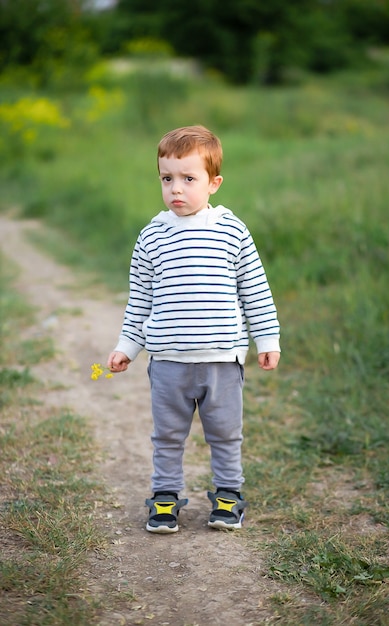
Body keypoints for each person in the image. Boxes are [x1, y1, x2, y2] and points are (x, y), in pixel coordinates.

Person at [107, 125, 280, 534]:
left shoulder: (231, 232)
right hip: (168, 362)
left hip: (222, 360)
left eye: (189, 178)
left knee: (225, 435)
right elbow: (140, 301)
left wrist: (267, 339)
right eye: (167, 179)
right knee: (167, 436)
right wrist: (127, 347)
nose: (176, 189)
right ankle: (165, 498)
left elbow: (255, 289)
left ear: (214, 183)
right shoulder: (152, 236)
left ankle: (227, 496)